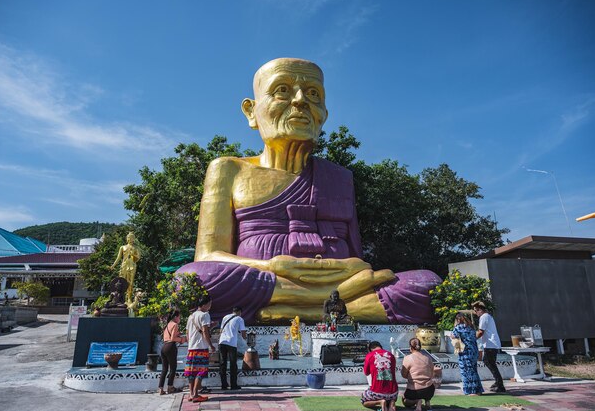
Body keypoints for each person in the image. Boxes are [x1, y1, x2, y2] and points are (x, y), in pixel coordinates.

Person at [176, 57, 442, 324]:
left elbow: (357, 258)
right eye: (282, 90)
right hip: (267, 280)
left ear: (324, 112)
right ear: (251, 111)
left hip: (337, 280)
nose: (301, 100)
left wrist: (353, 269)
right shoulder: (228, 169)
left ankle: (296, 311)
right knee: (196, 278)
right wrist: (273, 266)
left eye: (314, 94)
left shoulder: (339, 176)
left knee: (426, 284)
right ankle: (331, 308)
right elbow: (207, 255)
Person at [184, 295, 215, 403]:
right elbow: (205, 332)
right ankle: (196, 394)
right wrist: (211, 345)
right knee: (200, 371)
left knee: (191, 372)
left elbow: (187, 333)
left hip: (191, 348)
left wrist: (190, 344)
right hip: (201, 348)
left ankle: (191, 394)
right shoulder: (205, 315)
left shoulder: (191, 316)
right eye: (210, 304)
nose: (210, 306)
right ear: (205, 304)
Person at [472, 301, 505, 393]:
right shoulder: (488, 316)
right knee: (490, 363)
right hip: (491, 344)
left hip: (491, 344)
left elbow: (481, 332)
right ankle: (498, 382)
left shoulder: (484, 317)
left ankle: (500, 384)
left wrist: (472, 339)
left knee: (489, 362)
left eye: (476, 311)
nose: (475, 313)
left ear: (480, 310)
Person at [451, 313, 483, 395]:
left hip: (465, 351)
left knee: (466, 371)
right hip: (474, 350)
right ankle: (478, 390)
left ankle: (471, 391)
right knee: (473, 370)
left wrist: (452, 336)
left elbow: (453, 336)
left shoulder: (458, 328)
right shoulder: (471, 327)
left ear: (458, 320)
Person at [362, 341, 398, 411]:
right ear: (381, 347)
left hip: (377, 392)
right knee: (392, 395)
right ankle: (392, 402)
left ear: (370, 349)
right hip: (393, 393)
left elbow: (366, 373)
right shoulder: (391, 355)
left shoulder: (370, 355)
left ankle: (380, 402)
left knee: (364, 400)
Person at [157, 309, 187, 395]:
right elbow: (173, 339)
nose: (180, 318)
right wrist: (182, 339)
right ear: (175, 317)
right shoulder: (175, 325)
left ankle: (160, 388)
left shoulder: (167, 325)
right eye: (179, 317)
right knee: (173, 368)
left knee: (164, 369)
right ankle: (170, 387)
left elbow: (166, 337)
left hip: (164, 347)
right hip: (171, 347)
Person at [401, 338, 435, 411]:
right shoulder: (428, 357)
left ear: (410, 347)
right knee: (426, 391)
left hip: (414, 391)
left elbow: (403, 375)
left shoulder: (407, 358)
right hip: (429, 390)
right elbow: (432, 373)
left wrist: (412, 377)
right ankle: (427, 400)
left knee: (405, 401)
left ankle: (418, 401)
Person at [218, 306, 247, 390]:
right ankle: (233, 385)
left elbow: (221, 330)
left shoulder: (225, 317)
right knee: (233, 364)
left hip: (222, 342)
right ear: (239, 312)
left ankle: (224, 385)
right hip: (231, 343)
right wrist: (245, 338)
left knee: (223, 363)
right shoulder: (240, 319)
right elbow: (243, 333)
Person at [110, 231, 141, 303]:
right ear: (127, 239)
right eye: (129, 237)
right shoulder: (122, 247)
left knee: (130, 282)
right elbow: (118, 257)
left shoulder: (136, 248)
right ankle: (120, 297)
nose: (130, 239)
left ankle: (129, 298)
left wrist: (133, 254)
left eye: (132, 238)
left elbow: (138, 258)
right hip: (124, 265)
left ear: (134, 239)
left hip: (132, 265)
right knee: (121, 281)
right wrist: (113, 265)